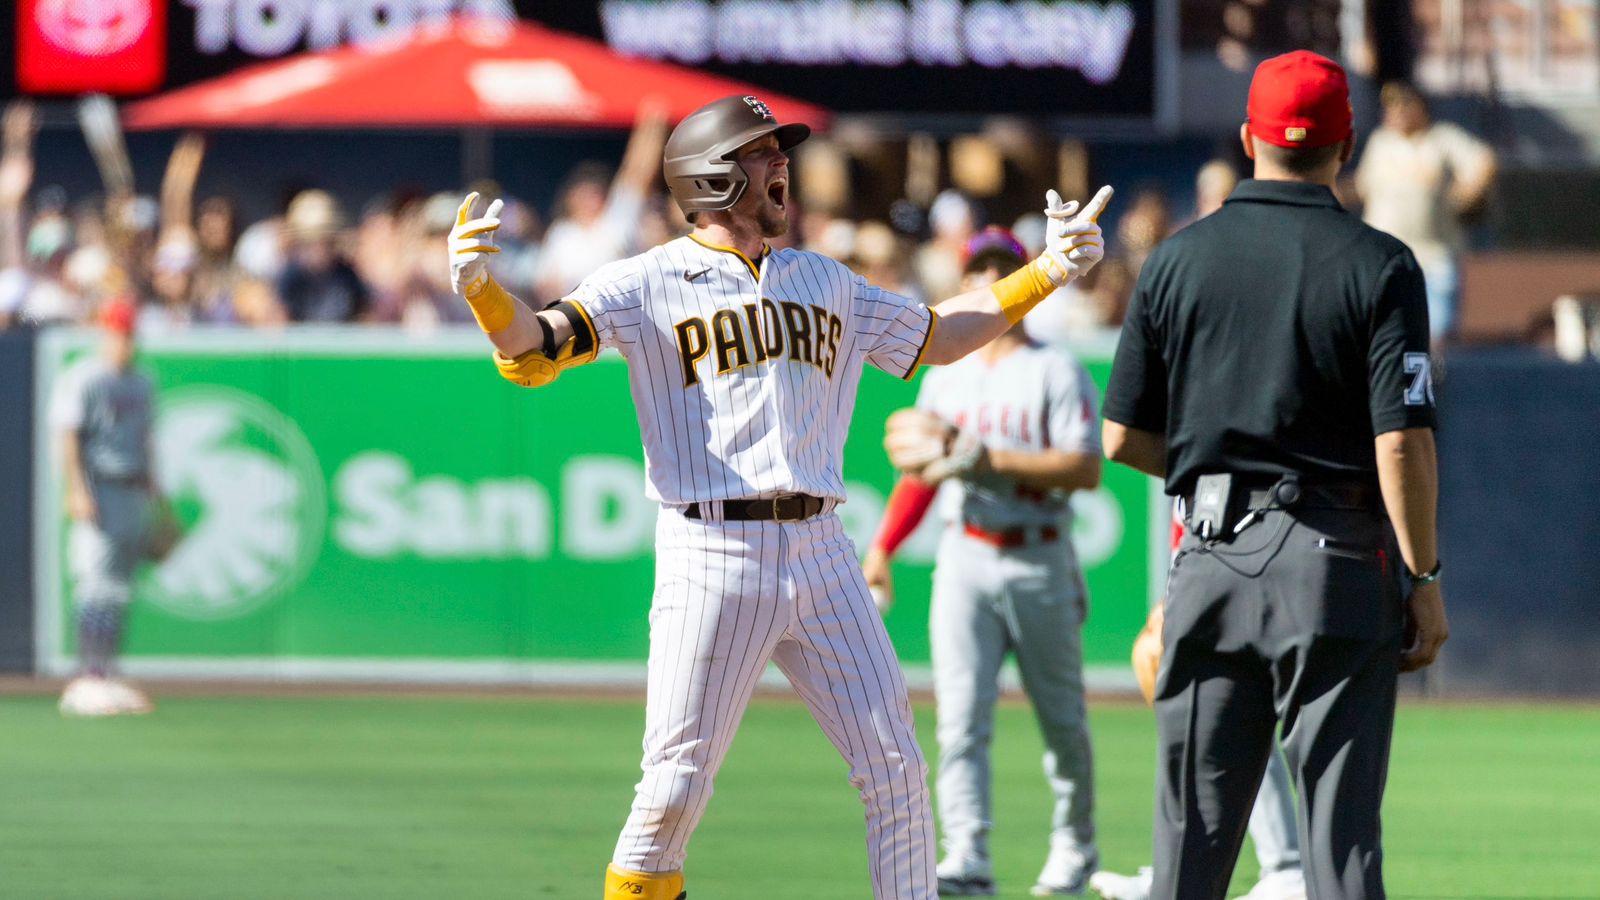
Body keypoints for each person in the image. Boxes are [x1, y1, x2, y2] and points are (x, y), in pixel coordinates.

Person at [445, 94, 1113, 900]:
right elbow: (532, 350)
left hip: (822, 547)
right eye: (763, 153)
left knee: (895, 767)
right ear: (714, 177)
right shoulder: (645, 281)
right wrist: (483, 289)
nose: (782, 165)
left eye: (779, 152)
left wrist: (1048, 272)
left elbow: (940, 334)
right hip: (711, 549)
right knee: (673, 789)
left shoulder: (824, 280)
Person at [1100, 51, 1448, 900]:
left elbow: (1119, 439)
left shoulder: (1176, 260)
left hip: (1210, 558)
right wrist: (1424, 577)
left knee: (1189, 851)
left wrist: (1210, 476)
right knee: (1339, 849)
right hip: (1336, 564)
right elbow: (1399, 444)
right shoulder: (1383, 264)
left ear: (1249, 135)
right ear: (1347, 141)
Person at [864, 226, 1104, 897]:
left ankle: (1075, 845)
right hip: (964, 552)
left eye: (1003, 269)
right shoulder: (949, 374)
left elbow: (1085, 468)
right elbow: (922, 473)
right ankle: (966, 852)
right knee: (960, 718)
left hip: (1038, 555)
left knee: (1061, 719)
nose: (989, 279)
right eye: (980, 269)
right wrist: (883, 546)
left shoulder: (1057, 368)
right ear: (967, 281)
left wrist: (983, 457)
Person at [1088, 514, 1306, 900]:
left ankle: (1284, 867)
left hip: (1237, 570)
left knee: (1230, 720)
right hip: (1212, 565)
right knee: (1201, 725)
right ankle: (1178, 869)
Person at [52, 297, 163, 716]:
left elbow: (147, 440)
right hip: (101, 487)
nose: (124, 342)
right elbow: (67, 435)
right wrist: (75, 489)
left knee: (118, 589)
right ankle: (87, 676)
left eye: (129, 334)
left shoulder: (141, 382)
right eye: (118, 333)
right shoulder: (84, 378)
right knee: (94, 584)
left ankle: (107, 673)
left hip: (133, 487)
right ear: (105, 334)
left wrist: (158, 495)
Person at [1355, 81, 1496, 342]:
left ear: (1420, 107)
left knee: (1438, 340)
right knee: (1384, 335)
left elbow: (1485, 161)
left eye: (1403, 105)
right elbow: (1361, 188)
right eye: (1391, 107)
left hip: (1435, 257)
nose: (1396, 112)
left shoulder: (1442, 138)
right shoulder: (1380, 142)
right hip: (1386, 259)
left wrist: (1469, 191)